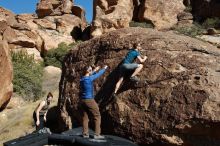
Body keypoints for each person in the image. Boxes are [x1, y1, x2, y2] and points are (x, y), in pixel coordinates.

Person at [80, 65, 108, 139]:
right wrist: (104, 68)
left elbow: (90, 74)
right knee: (97, 116)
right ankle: (97, 134)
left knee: (85, 117)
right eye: (90, 69)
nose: (91, 70)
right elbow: (98, 75)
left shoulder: (82, 79)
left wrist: (95, 70)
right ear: (87, 71)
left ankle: (85, 134)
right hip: (89, 100)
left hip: (82, 100)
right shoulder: (89, 79)